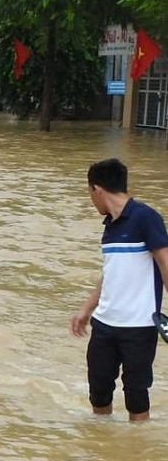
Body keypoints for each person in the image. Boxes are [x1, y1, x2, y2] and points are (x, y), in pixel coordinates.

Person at [71, 158, 168, 421]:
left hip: (139, 325)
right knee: (99, 391)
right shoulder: (109, 227)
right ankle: (103, 440)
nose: (92, 201)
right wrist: (86, 309)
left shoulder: (145, 217)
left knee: (136, 395)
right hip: (104, 324)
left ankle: (137, 443)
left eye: (90, 193)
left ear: (97, 189)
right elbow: (110, 274)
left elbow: (165, 262)